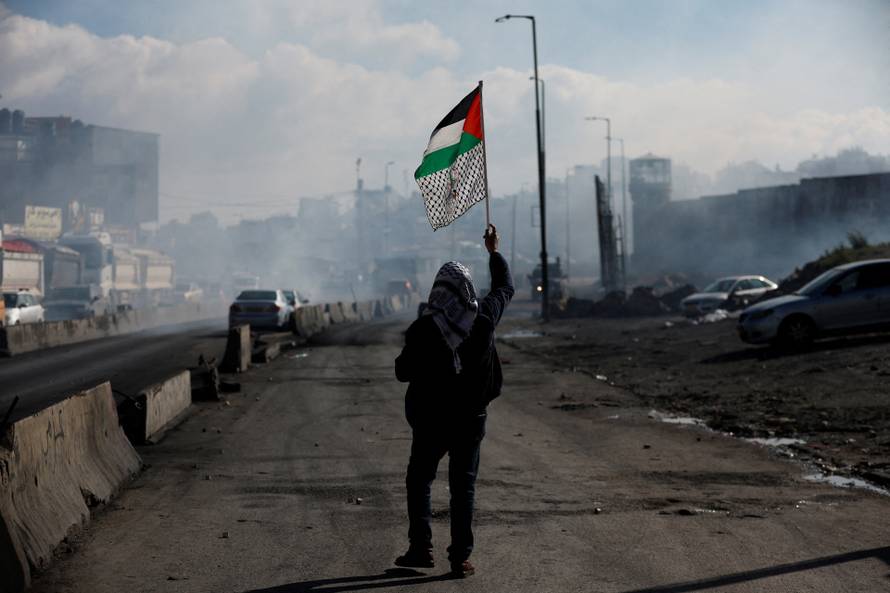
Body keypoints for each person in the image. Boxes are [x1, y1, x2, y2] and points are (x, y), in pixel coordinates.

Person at [393, 224, 514, 578]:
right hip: (470, 419)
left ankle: (421, 548)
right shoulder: (485, 319)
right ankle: (459, 557)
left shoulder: (423, 329)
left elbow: (402, 372)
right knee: (463, 487)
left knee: (420, 480)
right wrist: (493, 252)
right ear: (467, 290)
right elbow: (505, 287)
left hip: (430, 420)